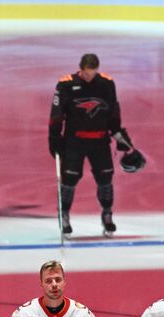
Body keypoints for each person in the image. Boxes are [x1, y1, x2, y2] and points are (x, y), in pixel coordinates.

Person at [50, 53, 132, 237]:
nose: (89, 77)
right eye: (86, 74)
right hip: (74, 141)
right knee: (69, 180)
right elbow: (56, 114)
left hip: (100, 141)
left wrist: (118, 133)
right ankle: (64, 215)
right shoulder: (66, 84)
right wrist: (54, 138)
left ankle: (107, 214)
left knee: (105, 179)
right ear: (81, 69)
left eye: (92, 73)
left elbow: (113, 111)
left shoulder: (106, 84)